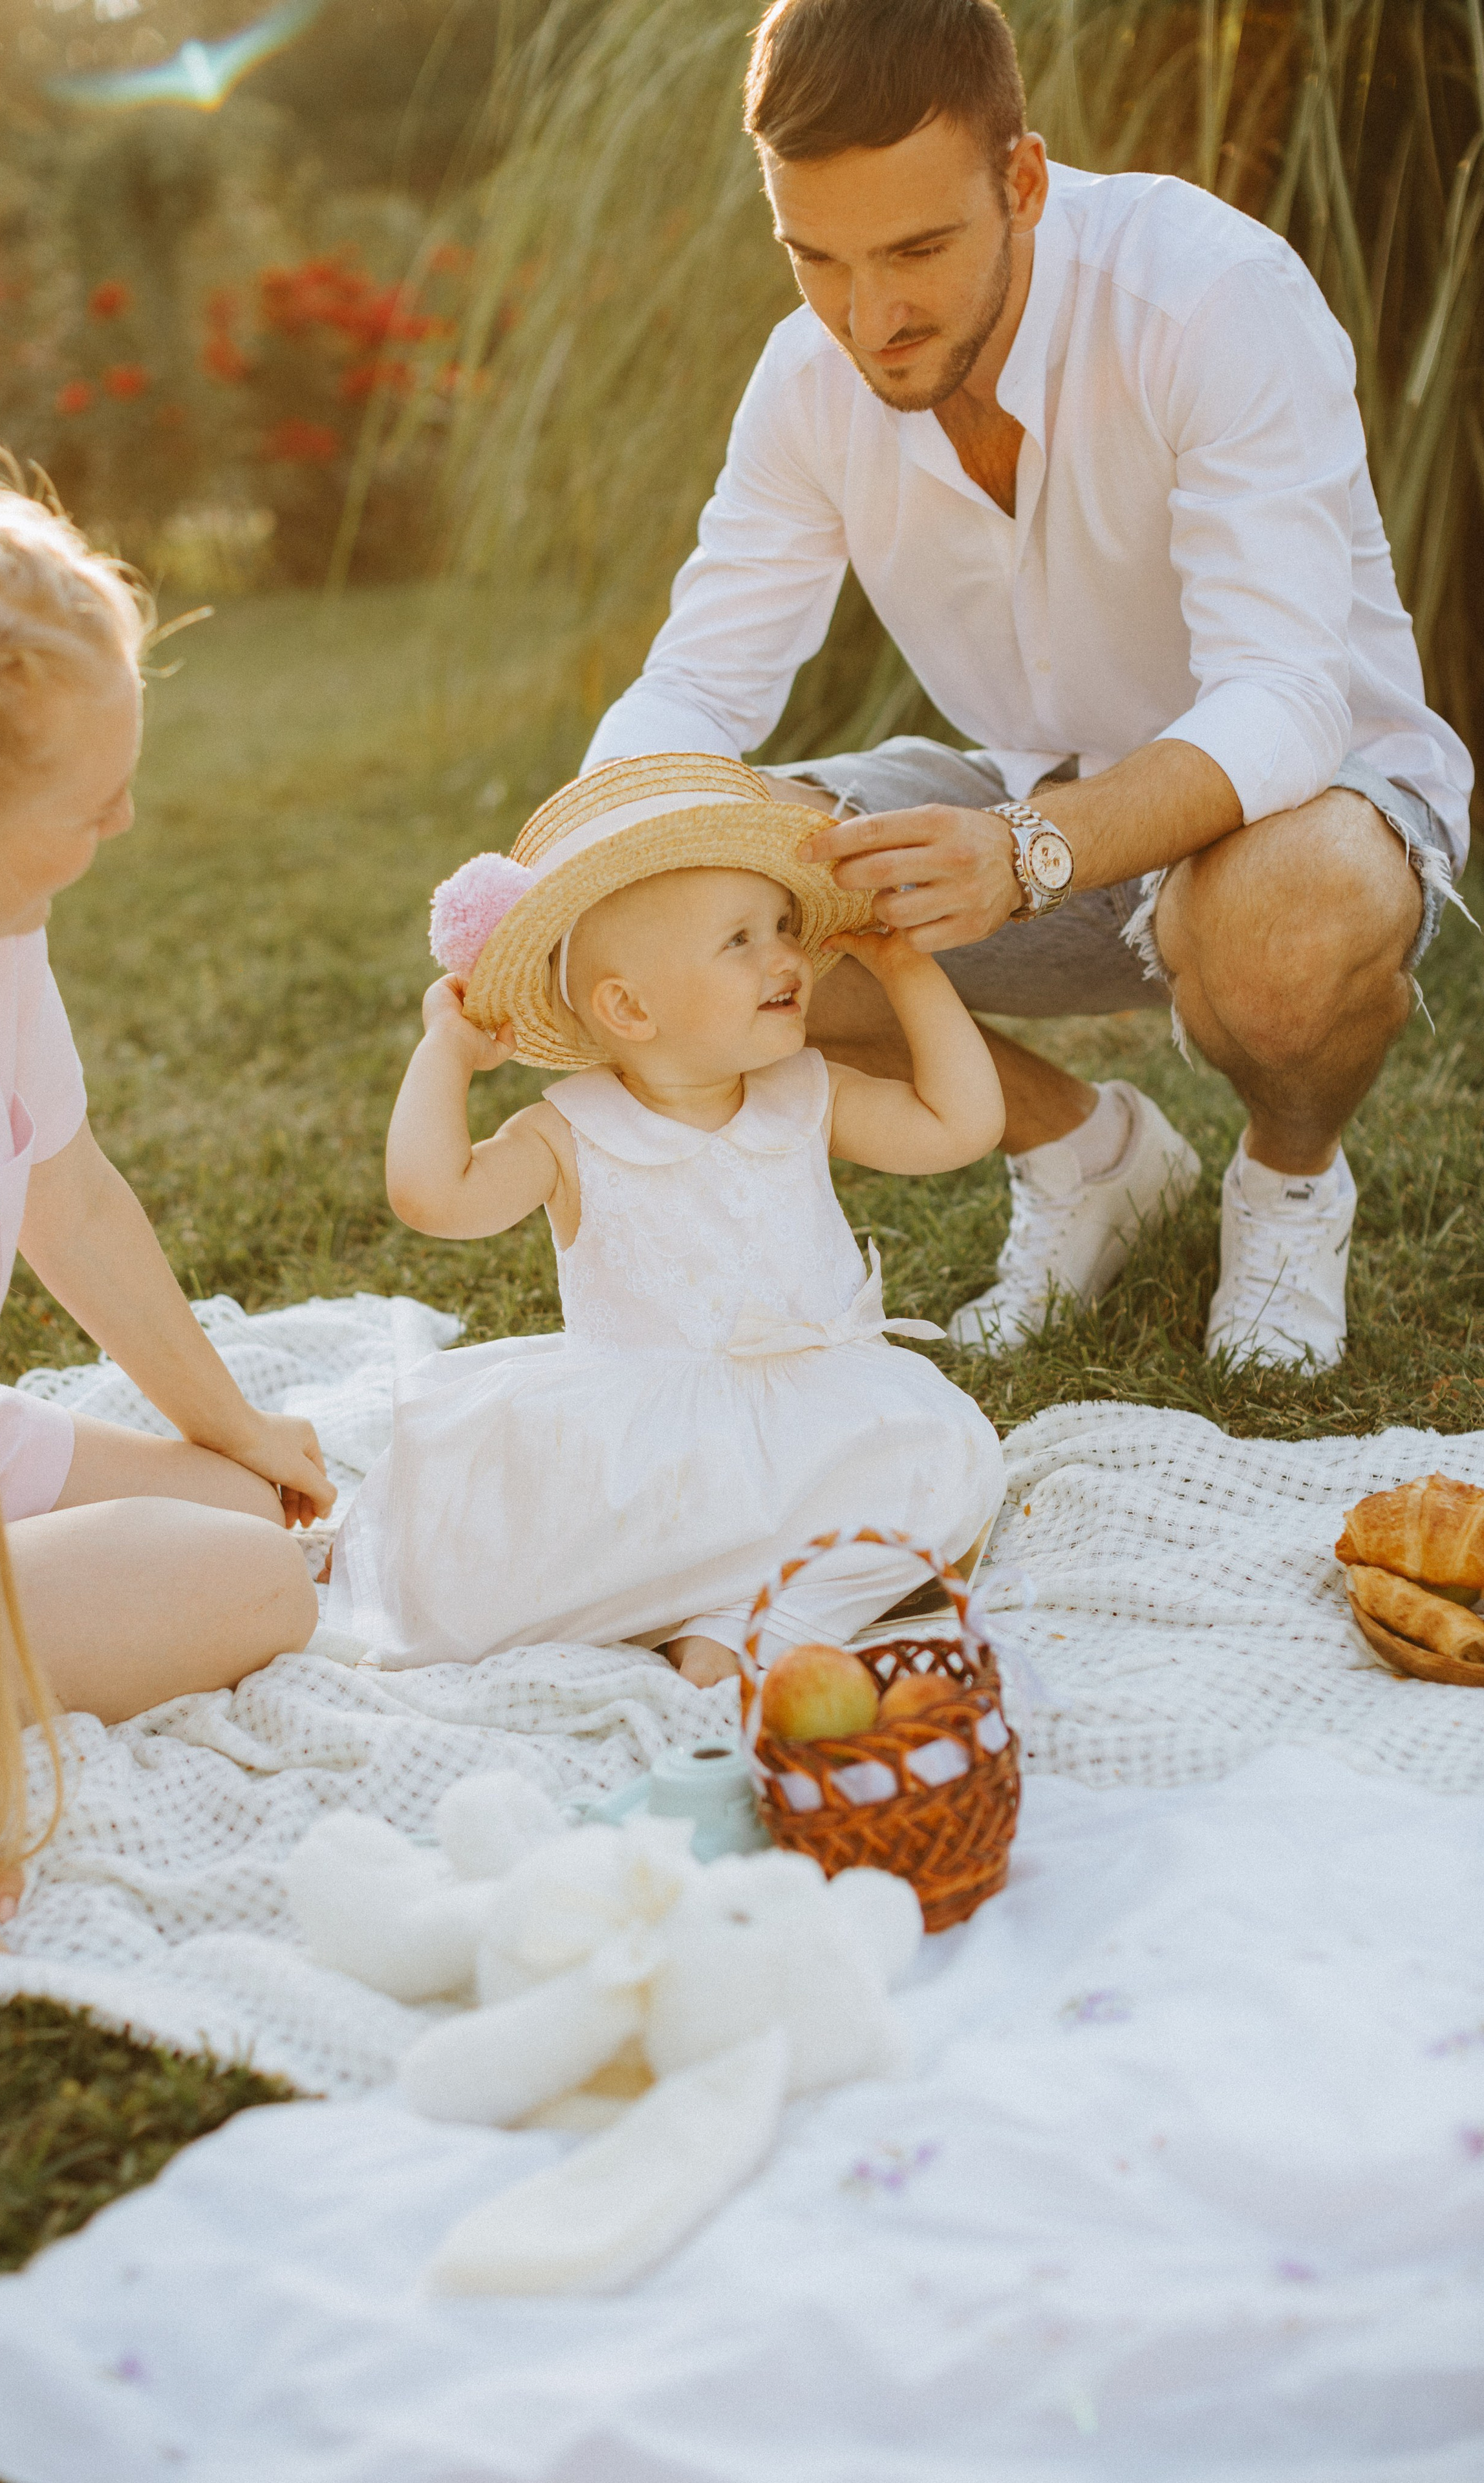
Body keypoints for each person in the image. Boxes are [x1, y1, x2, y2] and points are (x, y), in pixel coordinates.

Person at [583, 0, 1474, 1370]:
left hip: (1305, 816)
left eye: (915, 251)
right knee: (701, 888)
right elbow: (694, 688)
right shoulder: (802, 384)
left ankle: (1287, 1179)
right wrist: (588, 860)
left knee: (1283, 918)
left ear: (1022, 179)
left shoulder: (1207, 296)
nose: (865, 318)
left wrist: (1032, 852)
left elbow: (1285, 699)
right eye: (813, 259)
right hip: (1022, 804)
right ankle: (1084, 1153)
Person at [0, 463, 335, 1963]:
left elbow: (73, 1197)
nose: (124, 814)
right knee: (260, 1588)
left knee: (248, 1512)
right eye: (88, 802)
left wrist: (232, 1427)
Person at [330, 752, 1005, 1685]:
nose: (788, 956)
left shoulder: (805, 1093)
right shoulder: (571, 1134)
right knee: (532, 1542)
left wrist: (904, 968)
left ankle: (738, 1620)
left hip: (820, 1418)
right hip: (648, 1455)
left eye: (782, 926)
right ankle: (734, 1608)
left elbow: (961, 1124)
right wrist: (446, 1053)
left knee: (941, 1468)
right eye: (740, 940)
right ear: (628, 1008)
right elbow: (431, 1196)